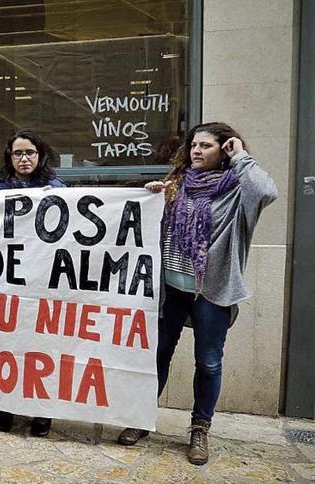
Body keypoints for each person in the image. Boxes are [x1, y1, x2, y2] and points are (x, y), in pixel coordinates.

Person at [116, 122, 277, 466]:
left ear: (225, 149)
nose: (196, 151)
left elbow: (266, 191)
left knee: (208, 362)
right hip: (171, 289)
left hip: (212, 292)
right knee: (158, 354)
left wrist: (242, 157)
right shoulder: (177, 185)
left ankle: (200, 429)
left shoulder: (237, 192)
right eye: (194, 145)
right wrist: (151, 198)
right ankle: (141, 418)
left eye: (206, 145)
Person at [0, 130, 66, 437]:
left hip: (43, 281)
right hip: (7, 279)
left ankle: (41, 410)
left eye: (29, 153)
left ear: (40, 155)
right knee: (8, 344)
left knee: (41, 348)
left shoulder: (57, 187)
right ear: (9, 157)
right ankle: (6, 405)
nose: (23, 159)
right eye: (17, 153)